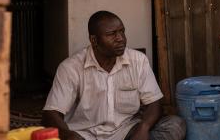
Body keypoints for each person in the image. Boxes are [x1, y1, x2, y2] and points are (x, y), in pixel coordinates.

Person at [42, 11, 185, 140]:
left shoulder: (138, 60)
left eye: (122, 32)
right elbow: (51, 113)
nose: (120, 38)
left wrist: (143, 128)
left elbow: (154, 103)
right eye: (112, 34)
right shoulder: (70, 68)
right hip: (84, 134)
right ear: (94, 40)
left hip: (125, 130)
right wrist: (69, 136)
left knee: (175, 125)